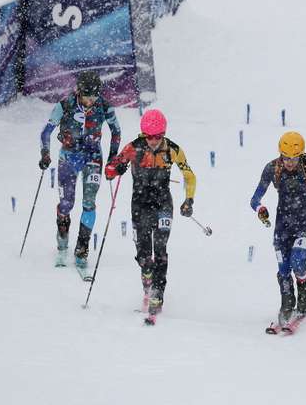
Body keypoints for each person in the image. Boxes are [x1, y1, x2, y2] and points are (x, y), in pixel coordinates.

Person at [104, 109, 196, 325]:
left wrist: (189, 200)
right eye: (150, 136)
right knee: (144, 256)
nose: (154, 141)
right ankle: (147, 282)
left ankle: (157, 295)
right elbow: (110, 169)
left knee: (161, 249)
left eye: (158, 136)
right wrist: (114, 169)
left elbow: (189, 176)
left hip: (163, 203)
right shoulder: (134, 147)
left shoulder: (173, 150)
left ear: (163, 134)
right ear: (144, 134)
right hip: (140, 205)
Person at [249, 132, 306, 326]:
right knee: (283, 269)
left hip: (305, 224)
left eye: (294, 158)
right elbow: (255, 199)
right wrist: (260, 209)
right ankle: (287, 304)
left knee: (297, 262)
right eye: (286, 157)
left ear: (301, 155)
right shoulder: (272, 168)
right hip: (283, 226)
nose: (290, 162)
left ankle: (304, 290)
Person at [38, 71, 122, 272]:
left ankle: (82, 250)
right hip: (69, 158)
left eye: (94, 96)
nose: (90, 101)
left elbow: (116, 131)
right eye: (87, 96)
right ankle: (62, 243)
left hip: (93, 158)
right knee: (66, 203)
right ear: (79, 92)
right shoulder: (65, 105)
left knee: (89, 203)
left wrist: (112, 157)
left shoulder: (104, 105)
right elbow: (46, 132)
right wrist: (45, 153)